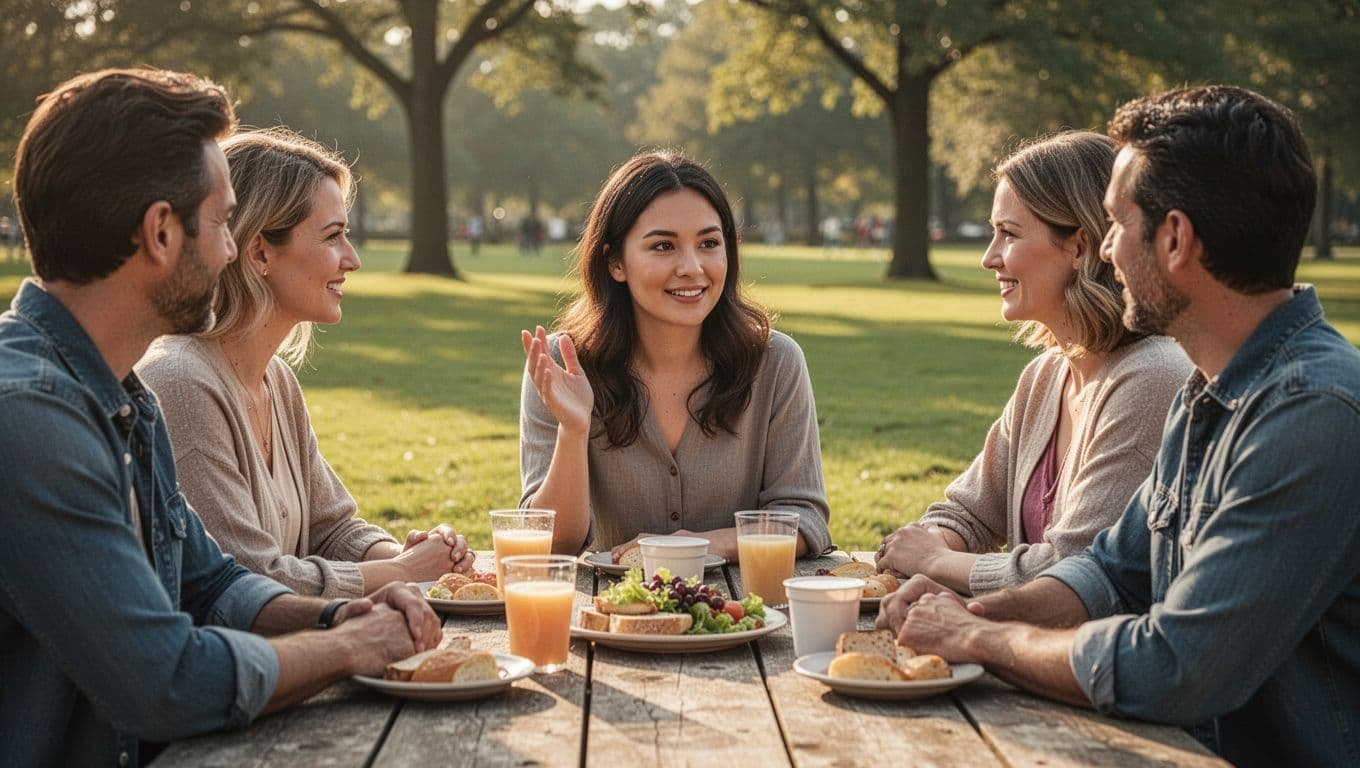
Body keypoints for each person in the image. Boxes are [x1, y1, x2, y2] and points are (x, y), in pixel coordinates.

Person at [878, 86, 1360, 767]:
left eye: (1114, 223)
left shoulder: (1312, 414)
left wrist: (979, 640)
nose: (1104, 248)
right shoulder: (1208, 392)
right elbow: (1109, 575)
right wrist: (974, 616)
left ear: (1174, 239)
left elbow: (1178, 665)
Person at [0, 69, 441, 767]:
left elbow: (209, 581)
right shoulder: (30, 419)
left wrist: (335, 614)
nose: (234, 249)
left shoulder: (118, 394)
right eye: (223, 221)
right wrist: (349, 647)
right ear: (161, 232)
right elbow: (165, 682)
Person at [137, 127, 475, 598]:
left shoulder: (277, 380)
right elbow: (248, 583)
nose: (352, 260)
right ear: (259, 252)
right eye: (333, 236)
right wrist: (400, 572)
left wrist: (406, 554)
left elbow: (332, 530)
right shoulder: (180, 383)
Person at [875, 132, 1191, 595]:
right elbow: (967, 512)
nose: (989, 257)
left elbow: (1074, 571)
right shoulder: (1046, 376)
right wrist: (930, 550)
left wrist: (937, 560)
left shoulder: (1152, 376)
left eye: (1009, 233)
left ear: (1080, 247)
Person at [519, 151, 831, 561]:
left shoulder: (775, 362)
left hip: (745, 614)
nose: (692, 267)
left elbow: (804, 519)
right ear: (616, 262)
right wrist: (573, 431)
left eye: (708, 243)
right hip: (607, 617)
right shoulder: (562, 366)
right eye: (664, 246)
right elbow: (552, 544)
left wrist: (698, 545)